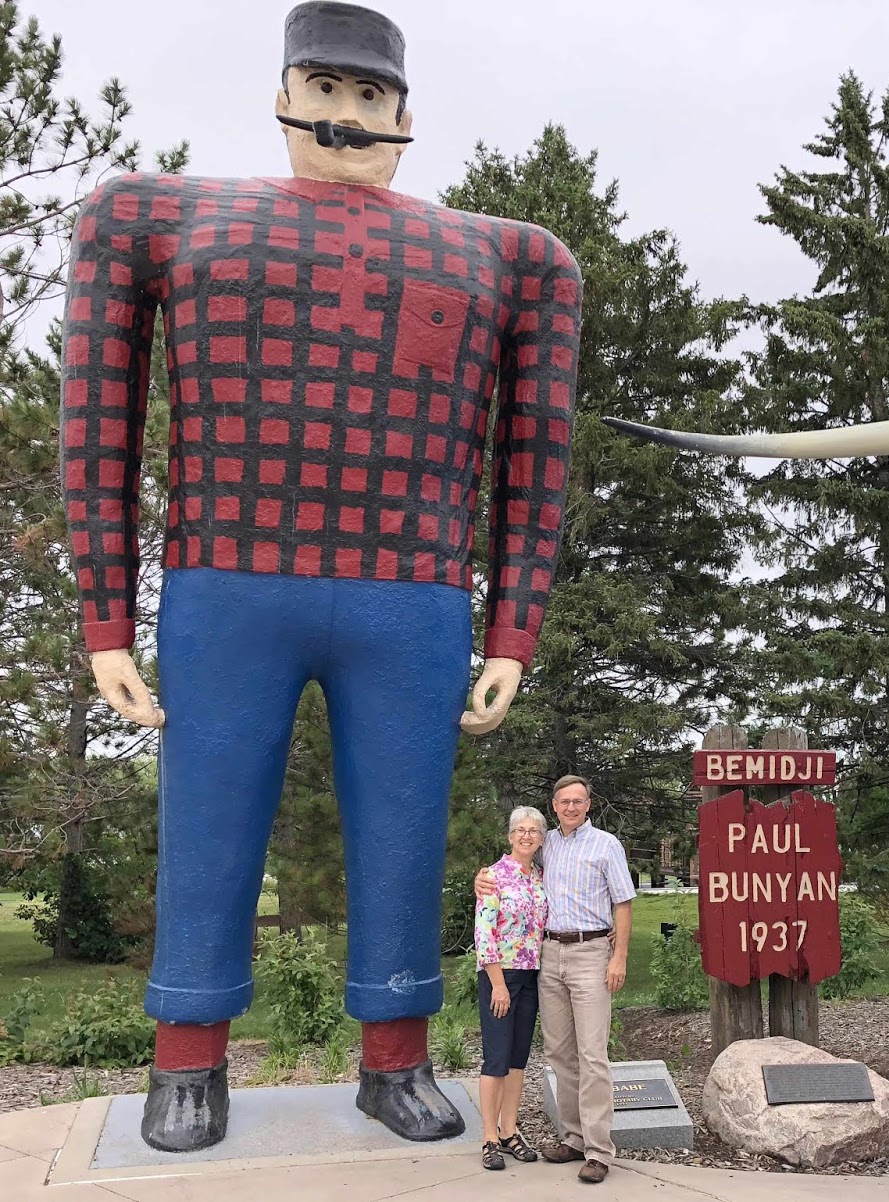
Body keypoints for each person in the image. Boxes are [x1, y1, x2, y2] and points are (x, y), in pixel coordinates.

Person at [60, 1, 582, 1152]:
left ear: (403, 113)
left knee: (404, 825)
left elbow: (536, 454)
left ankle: (395, 1054)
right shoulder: (155, 216)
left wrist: (513, 630)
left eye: (369, 94)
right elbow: (97, 414)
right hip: (228, 574)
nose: (346, 114)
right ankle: (187, 1057)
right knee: (207, 817)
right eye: (326, 88)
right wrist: (104, 615)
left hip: (412, 587)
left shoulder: (510, 257)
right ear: (285, 95)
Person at [476, 775, 633, 1184]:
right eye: (564, 802)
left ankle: (598, 1150)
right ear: (554, 805)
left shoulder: (606, 845)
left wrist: (618, 956)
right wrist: (483, 877)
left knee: (592, 1054)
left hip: (590, 953)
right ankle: (574, 1138)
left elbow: (623, 903)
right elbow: (516, 861)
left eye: (578, 801)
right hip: (548, 957)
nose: (571, 807)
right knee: (560, 1053)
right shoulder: (548, 846)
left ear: (588, 804)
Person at [475, 806, 550, 1171]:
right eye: (520, 829)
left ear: (541, 838)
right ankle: (489, 1137)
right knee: (496, 1058)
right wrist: (498, 986)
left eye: (533, 830)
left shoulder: (540, 876)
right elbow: (484, 933)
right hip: (499, 976)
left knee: (518, 1059)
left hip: (531, 976)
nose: (526, 835)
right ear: (510, 836)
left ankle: (509, 1131)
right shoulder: (494, 876)